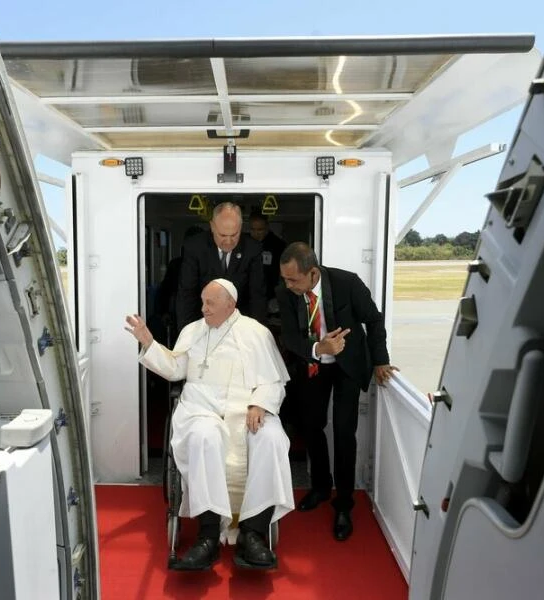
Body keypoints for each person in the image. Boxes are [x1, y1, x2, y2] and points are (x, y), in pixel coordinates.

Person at [125, 279, 293, 570]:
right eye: (202, 302)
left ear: (231, 304)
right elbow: (175, 369)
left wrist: (261, 403)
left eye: (210, 303)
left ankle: (253, 533)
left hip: (248, 407)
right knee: (205, 437)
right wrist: (149, 342)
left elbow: (274, 380)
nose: (203, 309)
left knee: (272, 439)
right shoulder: (193, 331)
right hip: (201, 408)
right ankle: (208, 536)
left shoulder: (257, 332)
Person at [276, 242, 397, 541]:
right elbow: (290, 337)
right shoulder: (285, 294)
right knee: (312, 426)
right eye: (285, 279)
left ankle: (343, 503)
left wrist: (381, 360)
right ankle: (320, 487)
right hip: (314, 364)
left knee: (344, 432)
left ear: (313, 272)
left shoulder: (347, 282)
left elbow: (374, 319)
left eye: (294, 279)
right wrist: (319, 348)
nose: (288, 285)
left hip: (347, 366)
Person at [176, 202, 267, 331]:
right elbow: (186, 296)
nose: (228, 241)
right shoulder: (194, 247)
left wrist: (258, 334)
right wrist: (186, 336)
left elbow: (257, 297)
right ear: (212, 226)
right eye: (223, 235)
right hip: (202, 323)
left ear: (240, 227)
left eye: (234, 235)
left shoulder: (253, 249)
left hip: (240, 326)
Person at [248, 212, 287, 315]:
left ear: (267, 228)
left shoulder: (278, 246)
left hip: (271, 294)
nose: (256, 233)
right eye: (253, 229)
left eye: (260, 230)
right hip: (248, 295)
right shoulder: (244, 245)